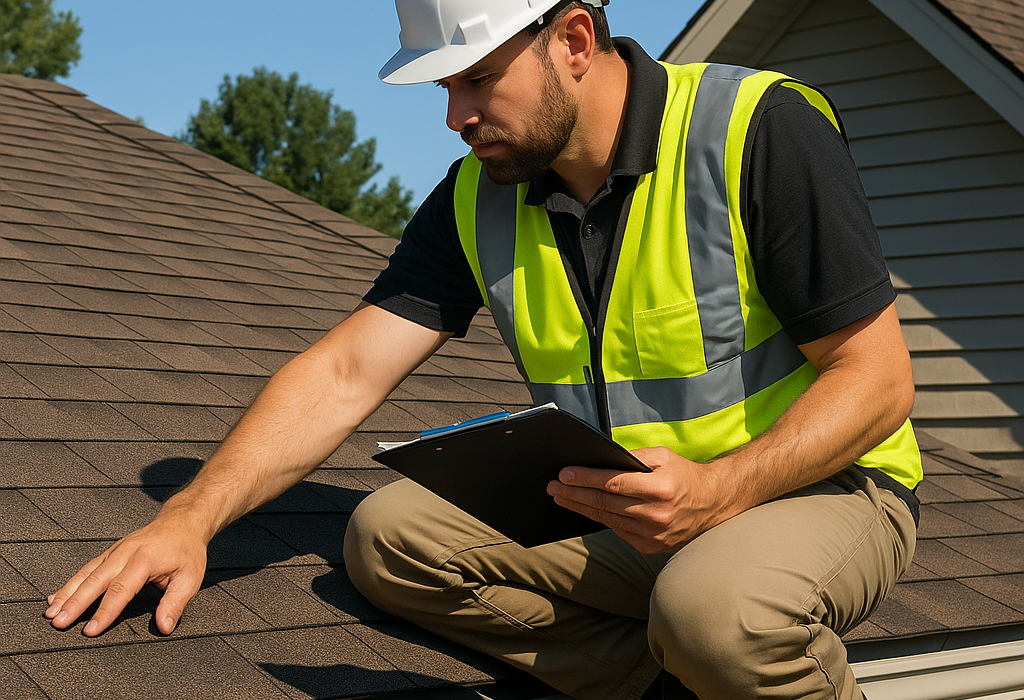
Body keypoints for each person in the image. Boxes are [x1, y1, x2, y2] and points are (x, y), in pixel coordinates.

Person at [45, 1, 921, 698]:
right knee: (388, 538)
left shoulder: (754, 127)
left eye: (477, 80)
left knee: (717, 614)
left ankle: (708, 649)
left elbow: (878, 383)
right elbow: (346, 370)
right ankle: (668, 686)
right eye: (443, 89)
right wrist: (188, 519)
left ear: (574, 38)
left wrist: (721, 488)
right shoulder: (478, 193)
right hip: (628, 505)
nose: (457, 116)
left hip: (818, 486)